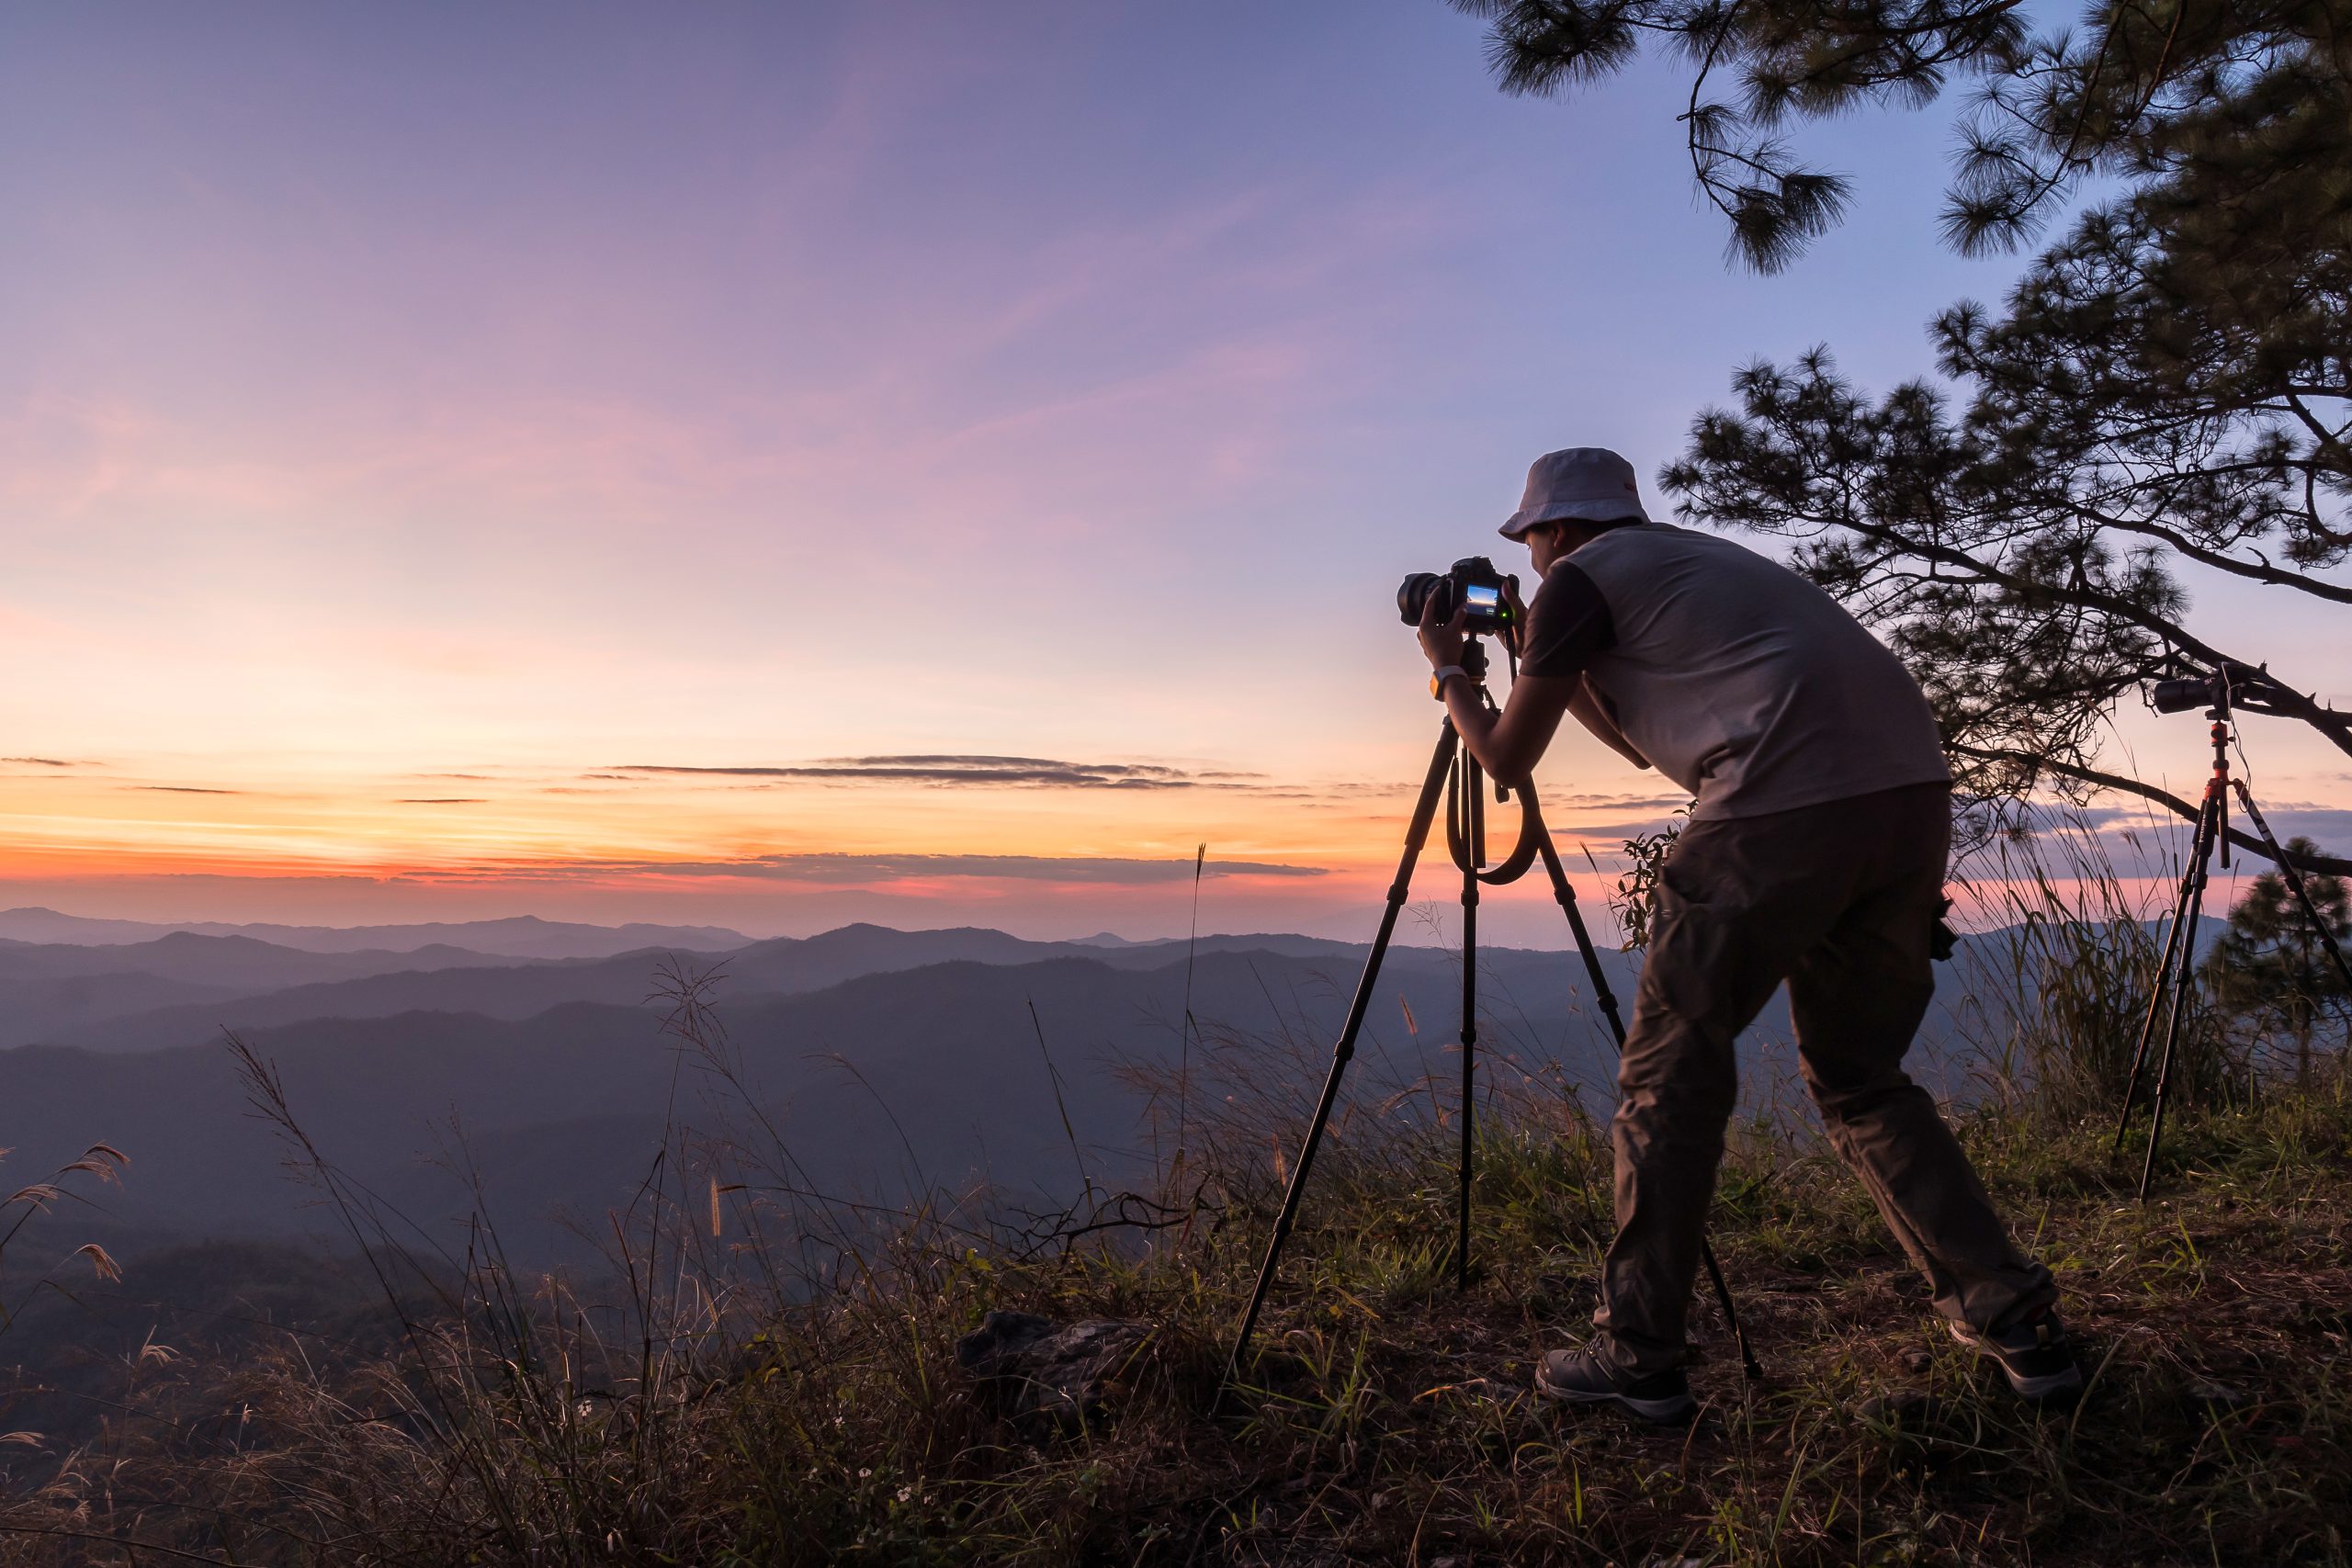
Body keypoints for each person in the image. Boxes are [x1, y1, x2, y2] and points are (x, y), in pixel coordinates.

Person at [1415, 446, 2078, 1423]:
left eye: (1531, 542)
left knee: (1669, 1079)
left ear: (1551, 530)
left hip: (1777, 807)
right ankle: (2017, 1321)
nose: (1532, 561)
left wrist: (1448, 673)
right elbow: (1640, 745)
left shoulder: (1578, 580)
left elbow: (1507, 758)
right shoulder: (1690, 563)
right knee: (1861, 1078)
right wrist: (1548, 650)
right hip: (1909, 801)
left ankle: (1638, 1352)